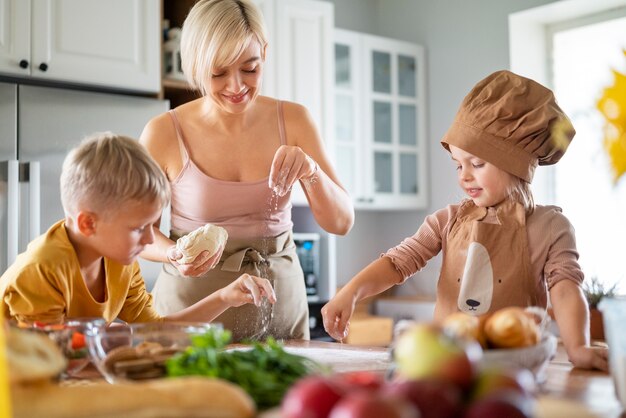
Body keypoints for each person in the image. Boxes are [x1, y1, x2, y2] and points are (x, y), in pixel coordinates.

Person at [322, 70, 608, 371]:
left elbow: (565, 287)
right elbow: (399, 262)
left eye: (478, 163)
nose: (464, 176)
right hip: (448, 364)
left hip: (515, 369)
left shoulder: (551, 227)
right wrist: (350, 292)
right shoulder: (448, 220)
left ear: (518, 165)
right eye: (458, 165)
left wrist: (578, 348)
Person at [139, 0, 354, 341]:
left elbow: (340, 223)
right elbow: (138, 233)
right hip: (191, 311)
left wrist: (310, 171)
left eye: (250, 69)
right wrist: (173, 253)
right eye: (218, 73)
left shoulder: (295, 120)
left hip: (277, 304)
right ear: (195, 65)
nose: (237, 86)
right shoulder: (163, 133)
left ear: (264, 54)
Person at [0, 133, 275, 326]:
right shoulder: (42, 271)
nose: (148, 239)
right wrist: (115, 339)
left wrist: (224, 297)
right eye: (138, 228)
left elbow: (155, 332)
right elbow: (48, 367)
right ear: (88, 223)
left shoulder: (120, 263)